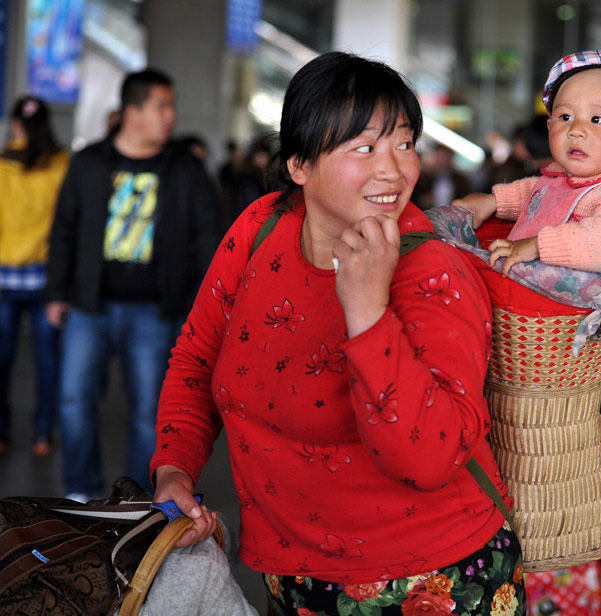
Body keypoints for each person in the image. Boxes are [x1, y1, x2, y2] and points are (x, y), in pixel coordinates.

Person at [149, 51, 526, 616]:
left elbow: (430, 460)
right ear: (299, 166)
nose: (393, 170)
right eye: (364, 148)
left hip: (434, 580)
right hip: (291, 576)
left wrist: (368, 310)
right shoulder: (260, 229)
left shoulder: (433, 272)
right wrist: (174, 467)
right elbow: (198, 359)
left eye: (403, 143)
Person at [44, 68, 222, 501]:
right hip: (91, 307)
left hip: (156, 312)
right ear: (132, 112)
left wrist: (205, 307)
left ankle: (137, 498)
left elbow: (208, 239)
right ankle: (80, 492)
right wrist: (57, 292)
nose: (171, 116)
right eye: (162, 106)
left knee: (150, 413)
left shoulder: (185, 169)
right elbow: (64, 228)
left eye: (170, 106)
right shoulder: (89, 164)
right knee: (73, 403)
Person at [454, 49, 601, 277]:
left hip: (575, 311)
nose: (576, 130)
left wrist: (537, 246)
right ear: (549, 126)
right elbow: (535, 193)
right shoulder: (562, 181)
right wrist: (494, 201)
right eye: (565, 117)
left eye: (597, 119)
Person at [0, 95, 69, 455]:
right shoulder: (61, 164)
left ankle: (2, 431)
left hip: (4, 280)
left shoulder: (1, 165)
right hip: (47, 280)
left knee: (2, 360)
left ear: (15, 125)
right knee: (47, 361)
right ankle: (42, 435)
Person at [411, 143, 472, 210]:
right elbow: (416, 199)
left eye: (445, 157)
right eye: (439, 157)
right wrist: (424, 200)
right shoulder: (425, 177)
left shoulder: (461, 180)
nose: (441, 161)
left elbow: (467, 200)